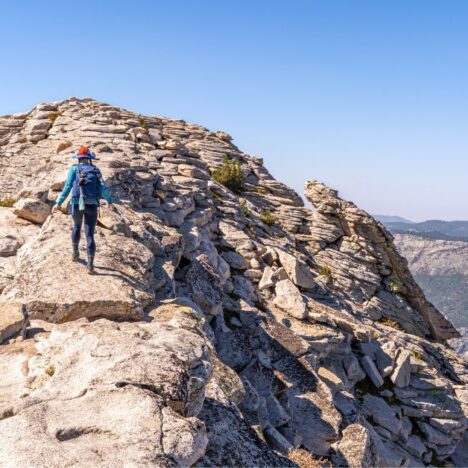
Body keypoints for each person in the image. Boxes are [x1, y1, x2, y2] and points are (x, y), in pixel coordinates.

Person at [52, 146, 115, 274]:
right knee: (90, 234)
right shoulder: (96, 170)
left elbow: (68, 187)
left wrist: (59, 202)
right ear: (89, 158)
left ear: (78, 158)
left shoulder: (74, 169)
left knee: (76, 227)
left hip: (76, 203)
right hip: (92, 204)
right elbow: (103, 188)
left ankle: (75, 254)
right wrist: (109, 201)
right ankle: (90, 265)